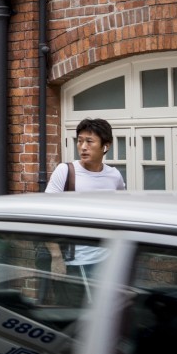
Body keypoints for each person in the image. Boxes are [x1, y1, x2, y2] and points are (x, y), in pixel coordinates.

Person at [45, 117, 126, 297]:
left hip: (107, 262)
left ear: (106, 146)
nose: (83, 147)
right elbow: (45, 215)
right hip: (74, 262)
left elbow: (122, 214)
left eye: (89, 141)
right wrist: (56, 257)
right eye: (80, 141)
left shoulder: (114, 176)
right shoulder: (65, 171)